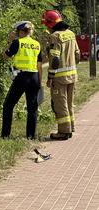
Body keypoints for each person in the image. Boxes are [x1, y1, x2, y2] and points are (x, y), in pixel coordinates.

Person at [42, 10, 80, 140]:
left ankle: (64, 132)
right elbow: (77, 55)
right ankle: (71, 127)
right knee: (70, 103)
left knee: (60, 104)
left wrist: (50, 77)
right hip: (73, 75)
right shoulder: (71, 34)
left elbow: (55, 59)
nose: (46, 27)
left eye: (46, 24)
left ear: (50, 23)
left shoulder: (55, 36)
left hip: (59, 77)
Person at [1, 21, 43, 139]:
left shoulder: (17, 42)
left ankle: (5, 135)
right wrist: (39, 81)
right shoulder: (37, 44)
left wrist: (9, 42)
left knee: (8, 105)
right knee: (32, 108)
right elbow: (39, 65)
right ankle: (30, 136)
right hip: (34, 77)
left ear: (20, 31)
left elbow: (4, 57)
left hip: (21, 77)